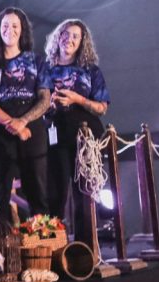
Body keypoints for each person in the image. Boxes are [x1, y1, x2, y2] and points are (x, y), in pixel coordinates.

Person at [0, 8, 50, 220]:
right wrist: (12, 123)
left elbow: (45, 98)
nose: (10, 30)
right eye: (5, 25)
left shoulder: (36, 61)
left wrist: (23, 121)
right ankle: (1, 237)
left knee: (37, 190)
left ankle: (41, 237)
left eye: (15, 25)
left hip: (32, 128)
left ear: (22, 29)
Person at [41, 19, 109, 243]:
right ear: (58, 37)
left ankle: (85, 248)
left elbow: (102, 107)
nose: (69, 39)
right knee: (55, 192)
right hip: (55, 134)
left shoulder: (91, 70)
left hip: (85, 136)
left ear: (82, 42)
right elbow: (36, 103)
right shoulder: (46, 69)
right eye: (65, 34)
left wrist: (77, 99)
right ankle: (53, 245)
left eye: (75, 36)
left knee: (84, 193)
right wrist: (49, 103)